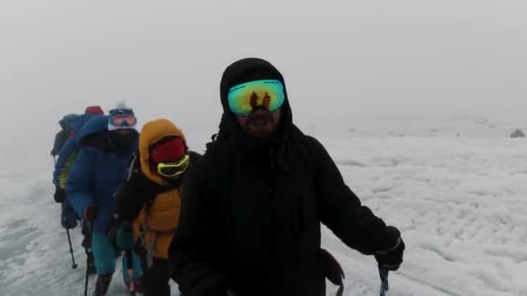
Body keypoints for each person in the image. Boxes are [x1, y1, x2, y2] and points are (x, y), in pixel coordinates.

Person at [169, 58, 405, 296]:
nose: (258, 109)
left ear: (284, 100)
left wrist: (381, 241)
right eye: (243, 100)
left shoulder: (307, 154)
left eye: (268, 96)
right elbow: (187, 252)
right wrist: (208, 288)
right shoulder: (210, 169)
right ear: (228, 107)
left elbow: (343, 210)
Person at [115, 118, 202, 296]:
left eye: (181, 166)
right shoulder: (139, 184)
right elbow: (129, 215)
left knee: (197, 286)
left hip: (188, 244)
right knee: (156, 289)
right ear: (151, 164)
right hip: (154, 251)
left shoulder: (195, 164)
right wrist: (127, 229)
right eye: (169, 169)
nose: (177, 174)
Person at [66, 104, 143, 295]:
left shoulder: (141, 148)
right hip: (100, 217)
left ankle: (133, 287)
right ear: (110, 125)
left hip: (133, 217)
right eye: (119, 122)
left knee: (133, 260)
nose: (124, 127)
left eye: (129, 122)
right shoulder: (92, 151)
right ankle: (101, 289)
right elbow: (76, 186)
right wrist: (85, 207)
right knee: (105, 264)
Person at [52, 105, 104, 273]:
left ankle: (94, 256)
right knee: (95, 222)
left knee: (91, 222)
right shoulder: (81, 138)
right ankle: (95, 255)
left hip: (84, 186)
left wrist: (61, 187)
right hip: (89, 187)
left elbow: (64, 165)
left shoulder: (74, 137)